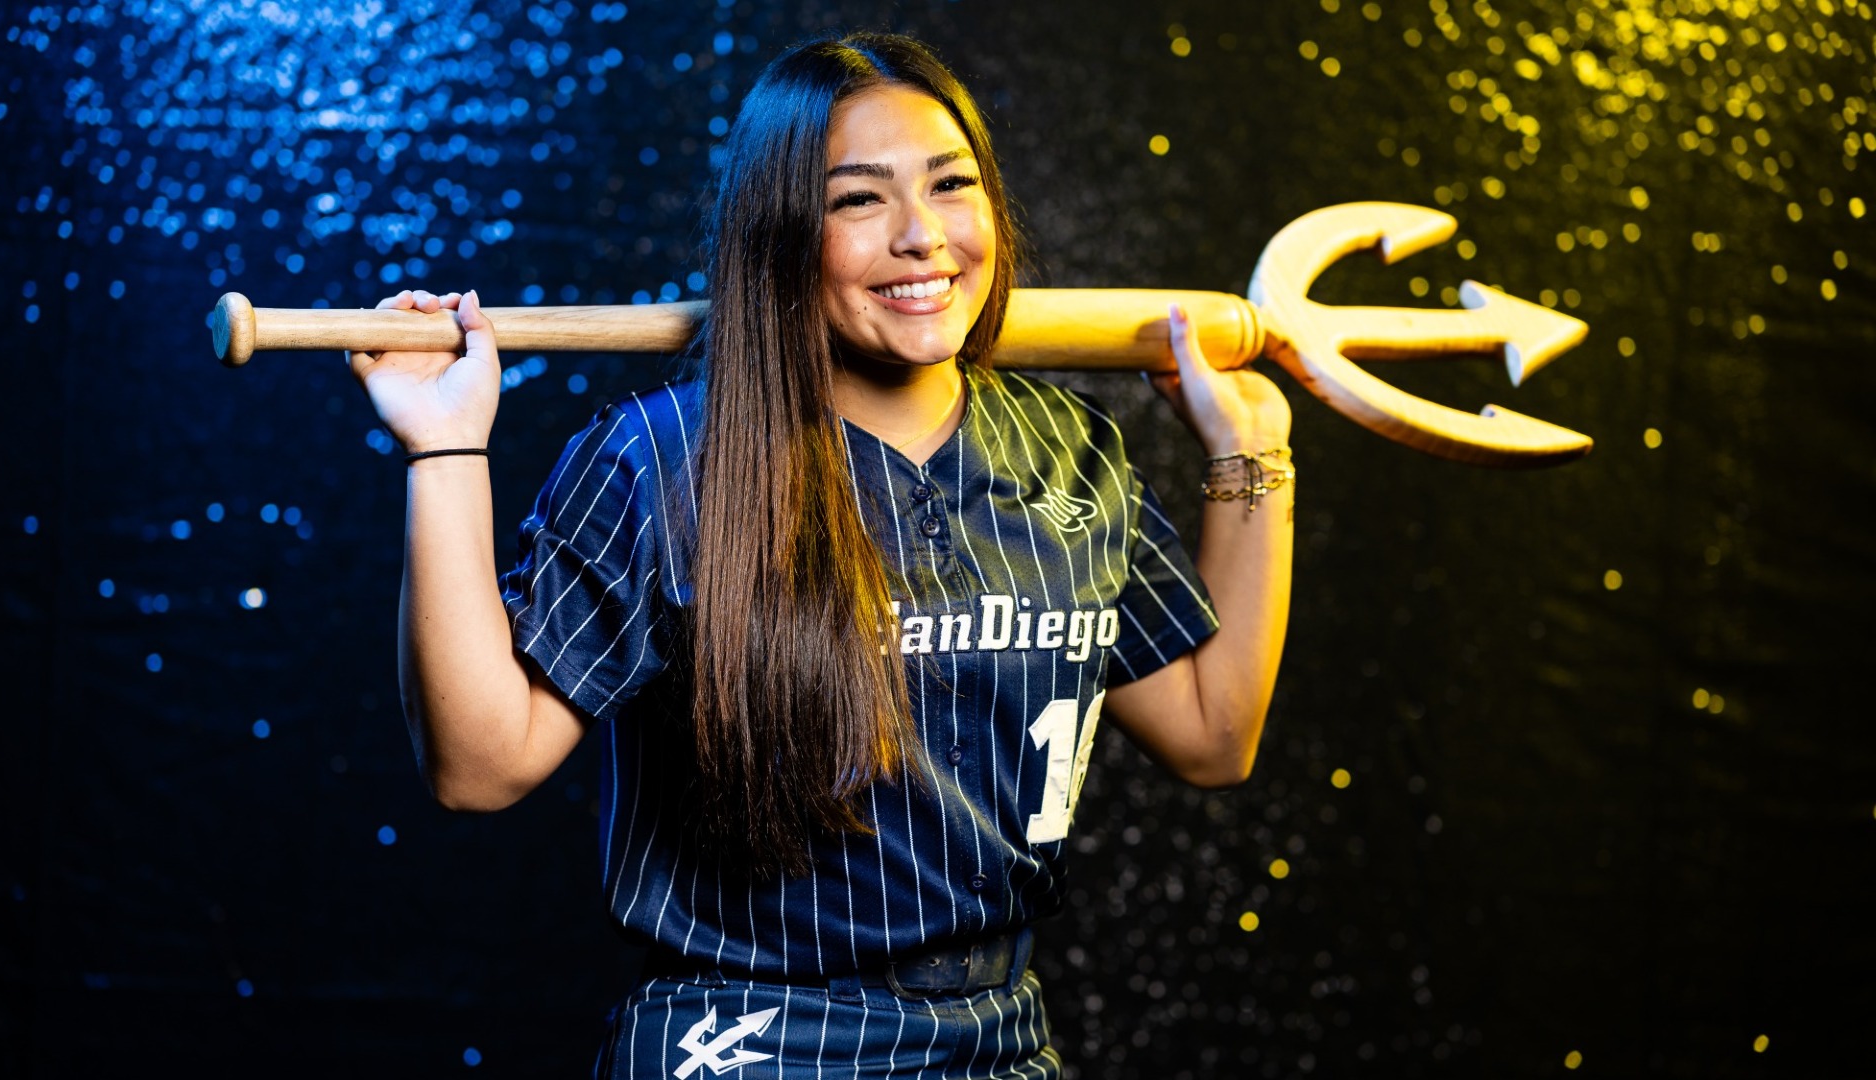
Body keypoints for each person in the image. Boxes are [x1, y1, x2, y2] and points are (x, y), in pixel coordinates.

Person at [348, 31, 1291, 1078]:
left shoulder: (1071, 455)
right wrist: (443, 448)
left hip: (996, 1043)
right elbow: (479, 765)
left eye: (951, 185)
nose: (923, 236)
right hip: (745, 1045)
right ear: (783, 234)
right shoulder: (661, 461)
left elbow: (1214, 733)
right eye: (859, 201)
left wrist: (1254, 455)